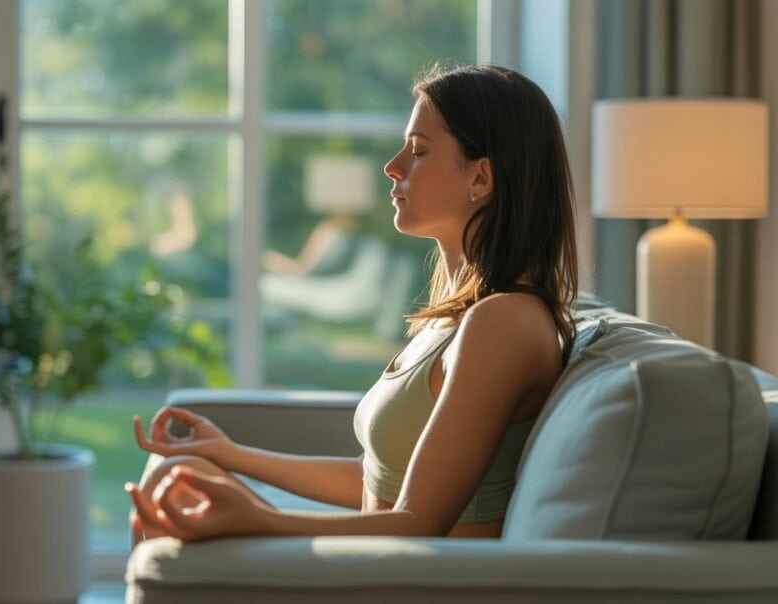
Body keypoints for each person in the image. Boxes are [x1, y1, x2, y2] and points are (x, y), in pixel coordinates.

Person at [125, 64, 578, 543]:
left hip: (413, 580)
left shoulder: (503, 322)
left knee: (171, 486)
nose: (393, 165)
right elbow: (372, 479)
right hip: (372, 563)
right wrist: (230, 454)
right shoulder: (460, 317)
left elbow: (417, 524)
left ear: (481, 178)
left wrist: (256, 519)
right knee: (181, 473)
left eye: (419, 150)